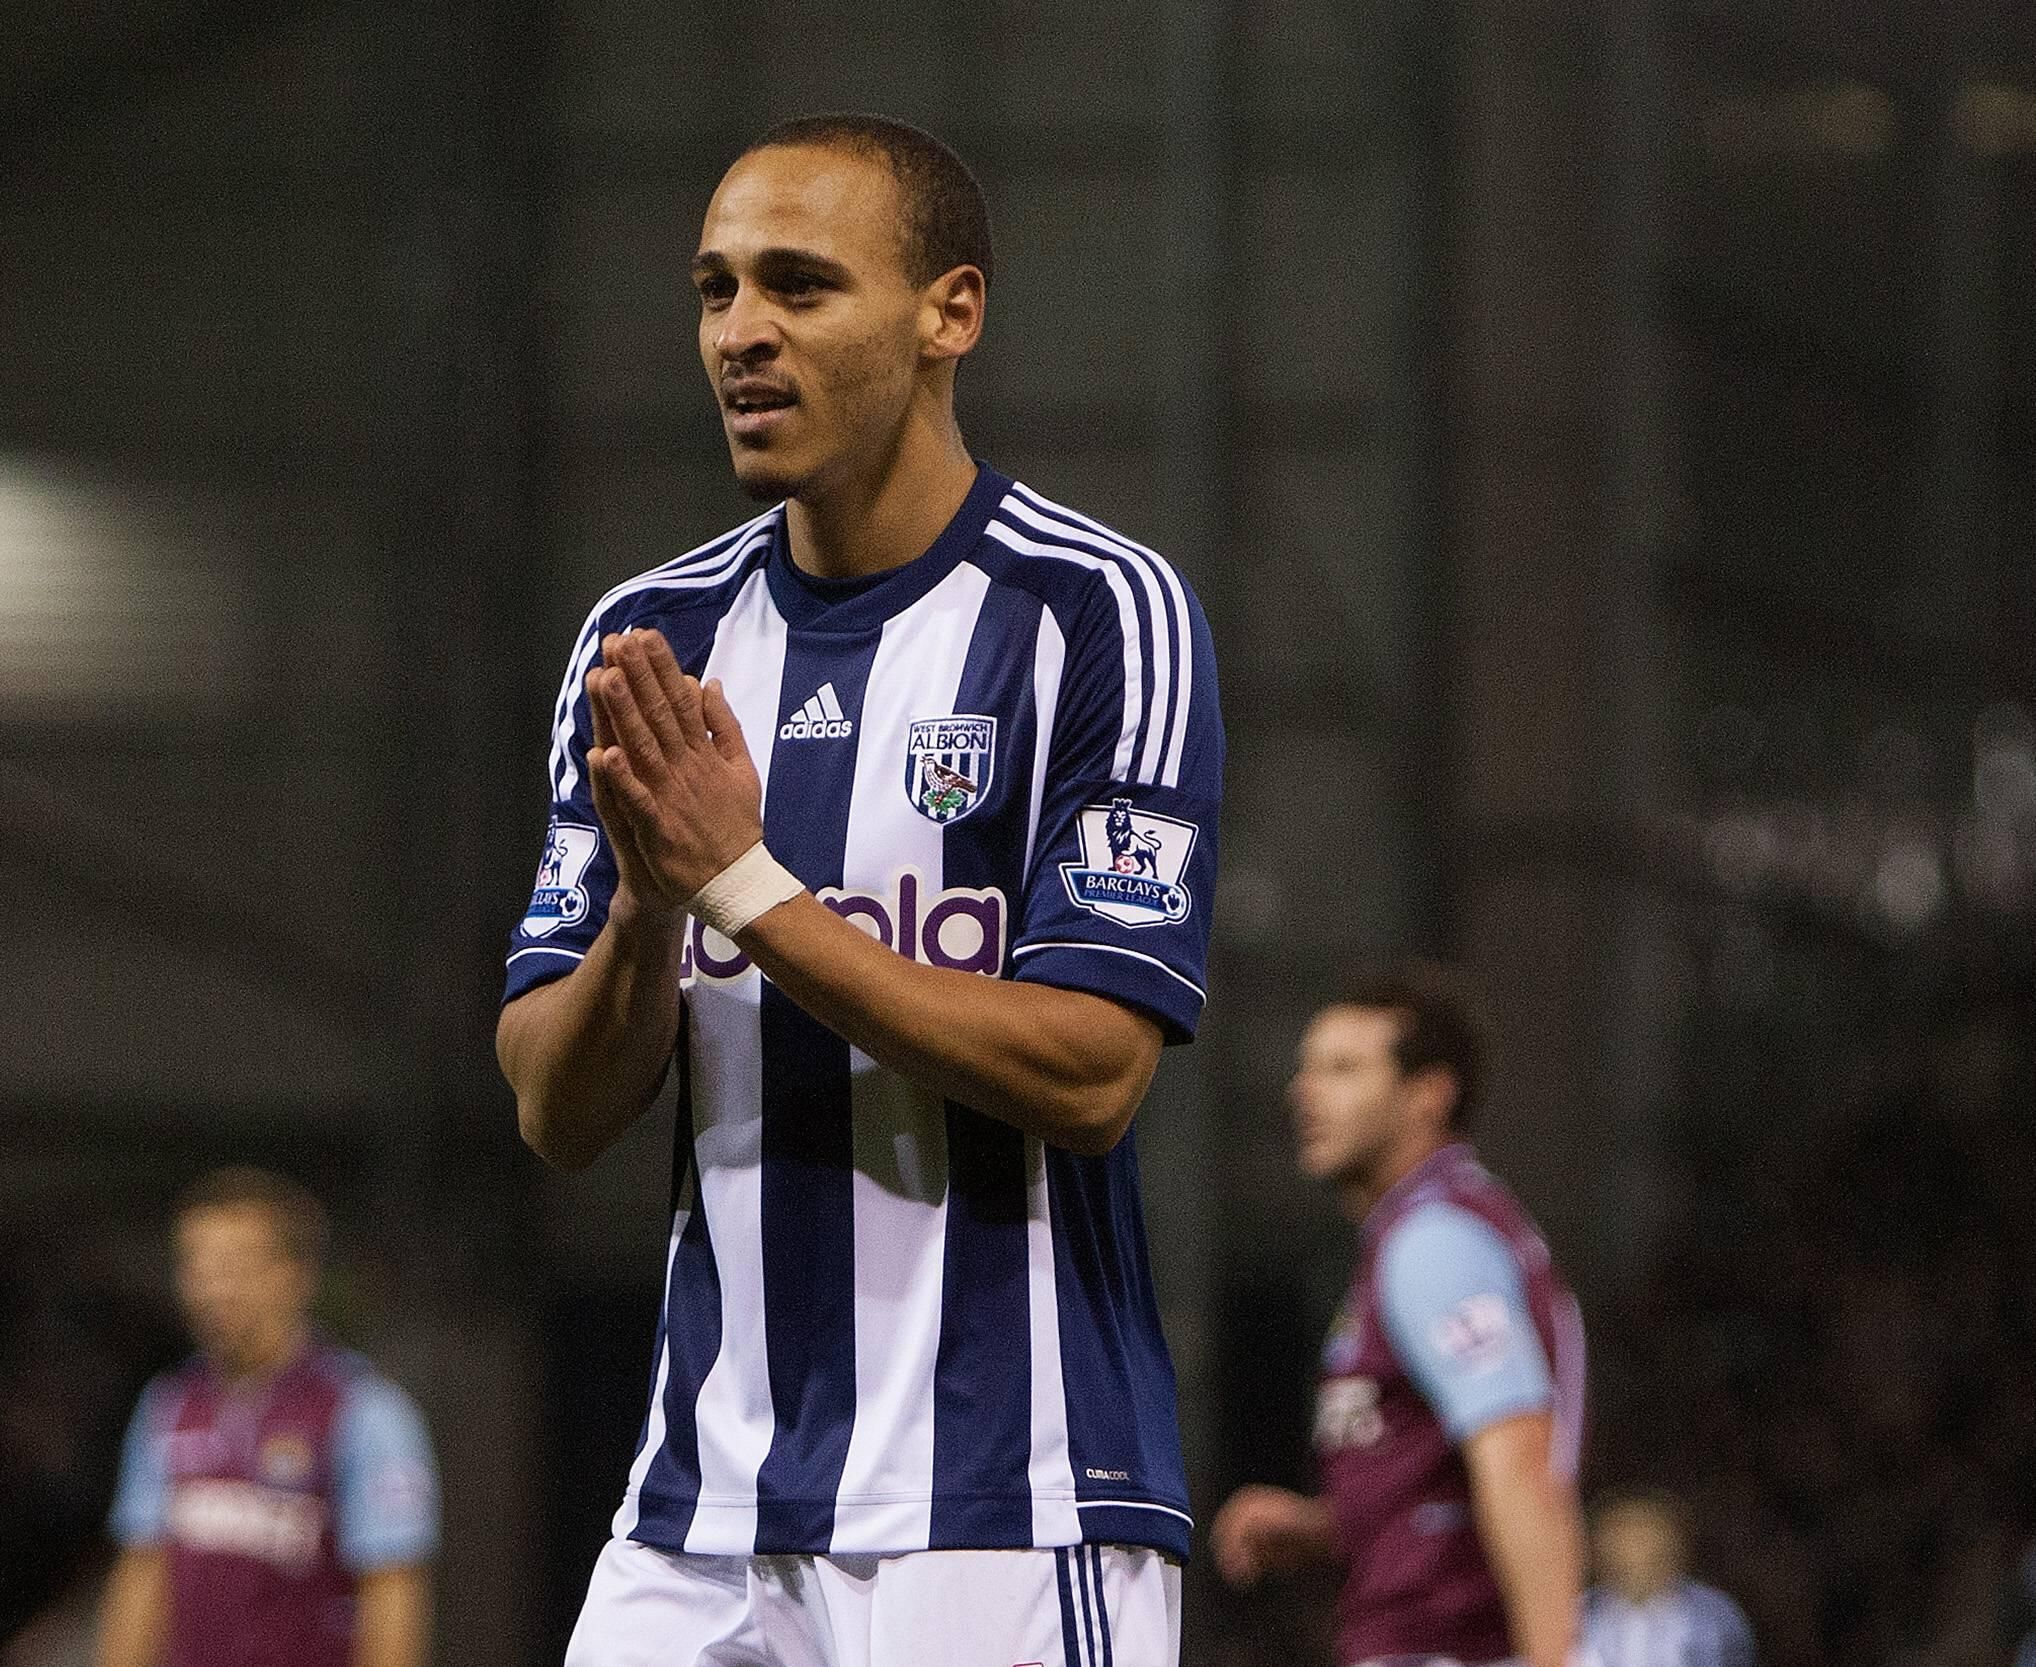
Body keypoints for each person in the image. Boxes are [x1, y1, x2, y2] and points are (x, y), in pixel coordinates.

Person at [496, 112, 1223, 1665]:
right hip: (699, 1508)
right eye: (715, 289)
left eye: (801, 286)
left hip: (1007, 1503)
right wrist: (646, 907)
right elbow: (556, 1112)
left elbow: (1094, 1073)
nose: (741, 334)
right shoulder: (650, 639)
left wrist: (741, 882)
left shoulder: (1097, 612)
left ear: (948, 312)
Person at [1210, 969, 1586, 1667]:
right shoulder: (1430, 1228)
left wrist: (1553, 1660)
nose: (1305, 1091)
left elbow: (1521, 1461)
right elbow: (1445, 1477)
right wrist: (1329, 1524)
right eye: (1307, 1068)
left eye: (1344, 1068)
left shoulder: (1433, 1242)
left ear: (1427, 1096)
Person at [93, 1167, 437, 1667]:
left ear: (295, 1274)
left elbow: (394, 1595)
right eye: (195, 1266)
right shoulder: (168, 1406)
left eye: (232, 1266)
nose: (210, 1290)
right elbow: (143, 1573)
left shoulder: (365, 1413)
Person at [1581, 1491, 1754, 1667]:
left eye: (1645, 1538)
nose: (1634, 1551)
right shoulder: (1577, 1614)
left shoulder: (1714, 1615)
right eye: (1620, 1536)